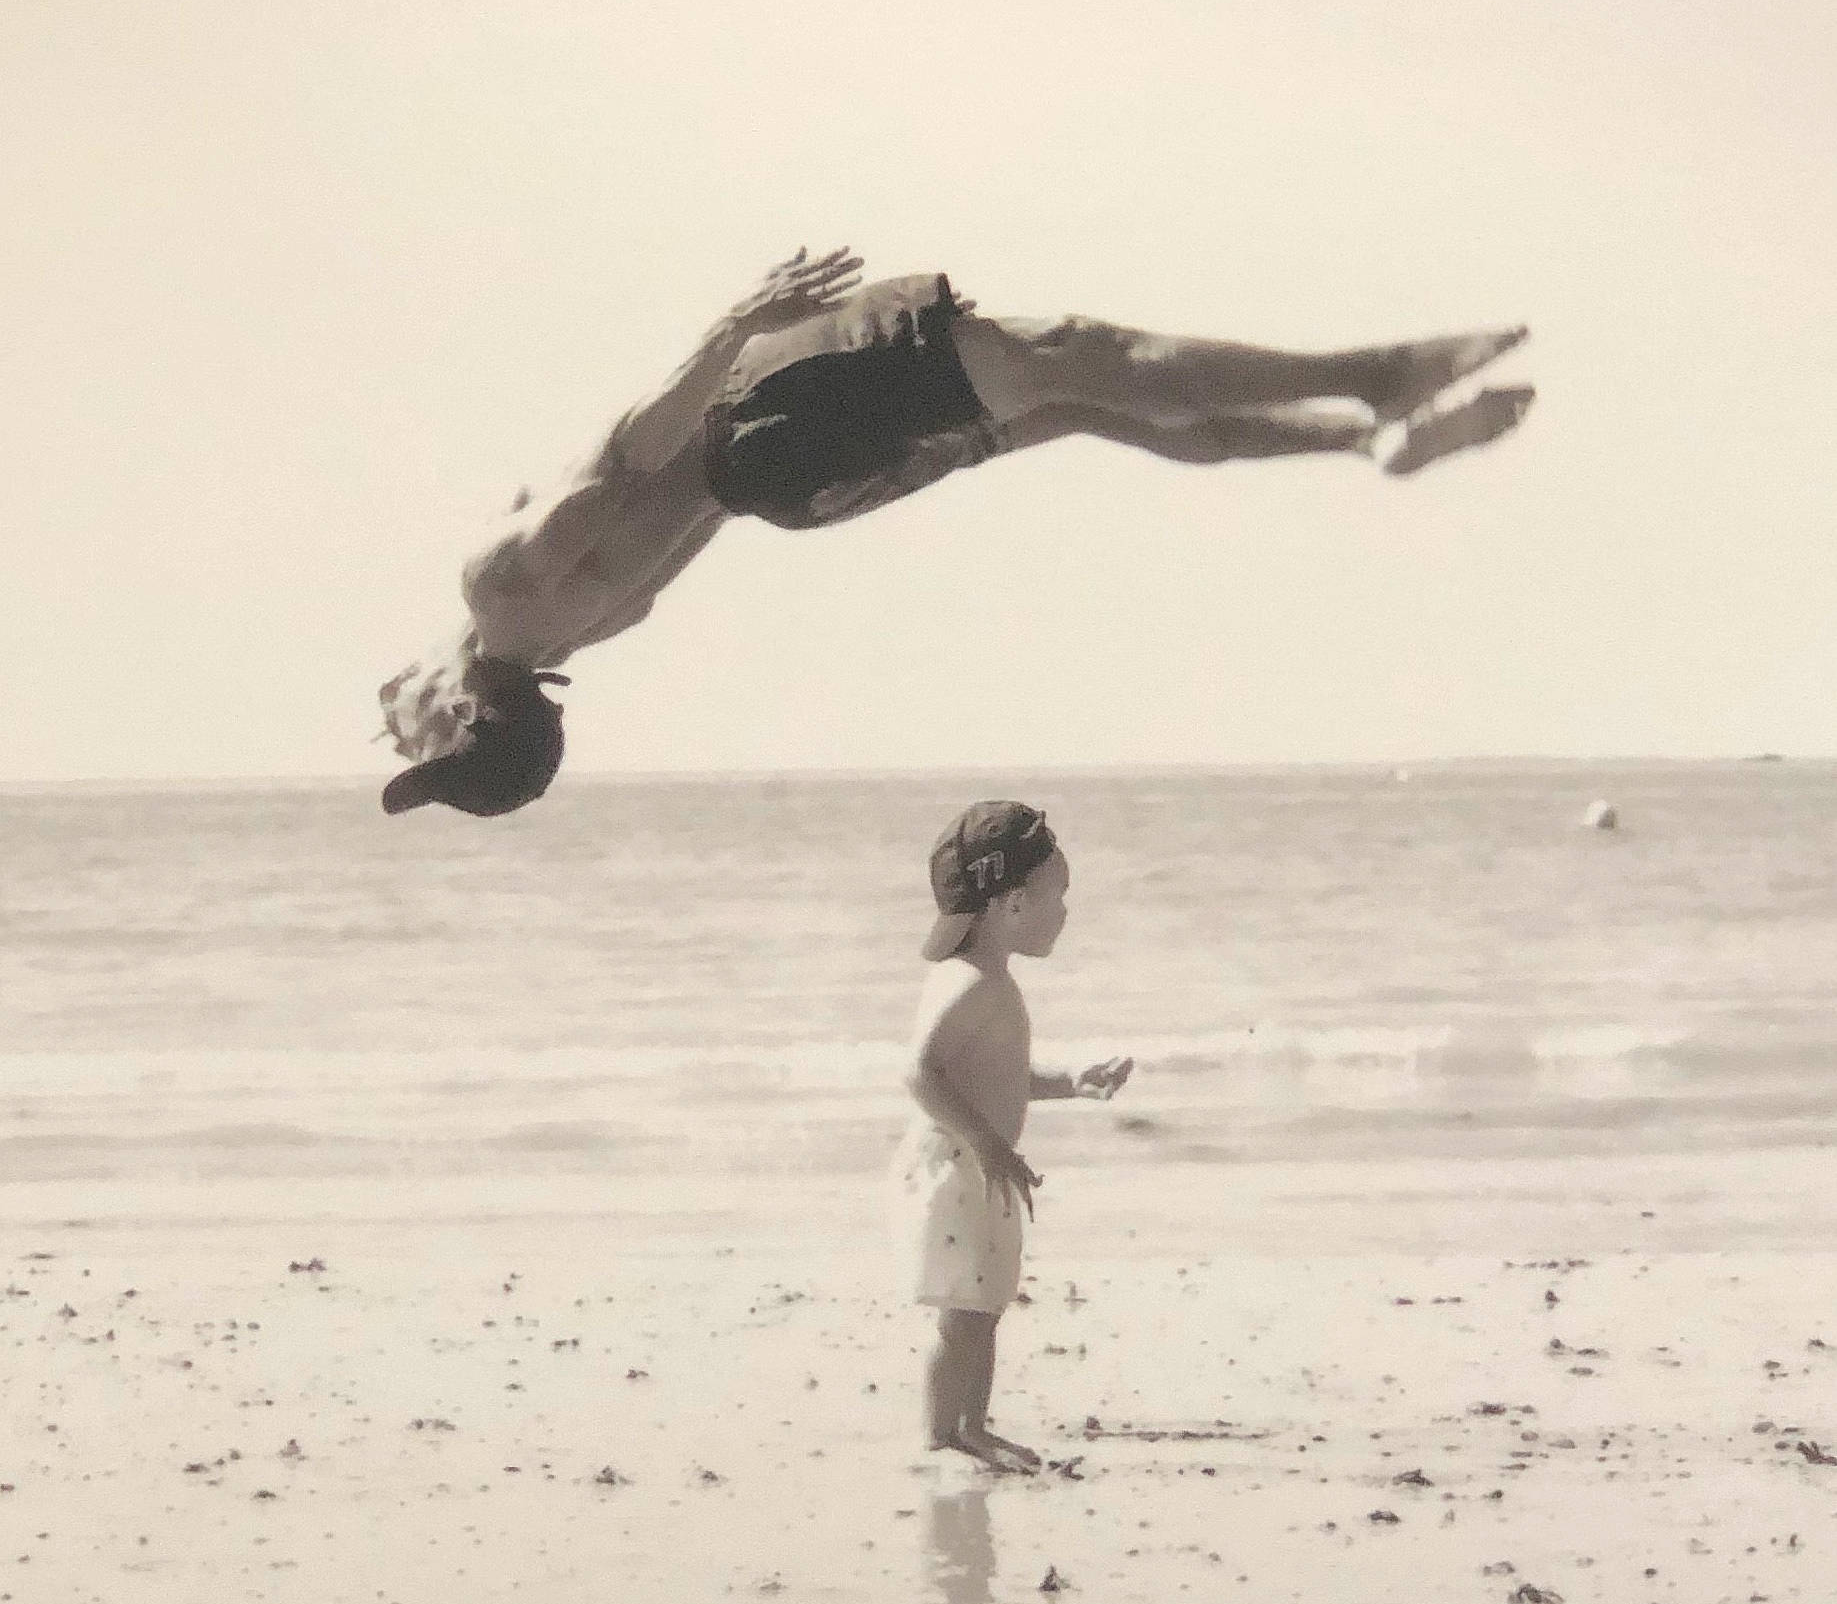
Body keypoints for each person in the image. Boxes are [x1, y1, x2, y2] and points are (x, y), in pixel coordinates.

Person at [379, 250, 1533, 815]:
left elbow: (639, 536)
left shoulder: (575, 636)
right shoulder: (500, 591)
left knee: (1076, 407)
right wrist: (740, 324)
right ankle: (1376, 381)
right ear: (475, 713)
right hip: (772, 418)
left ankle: (1350, 442)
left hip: (795, 491)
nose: (402, 724)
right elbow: (629, 462)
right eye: (425, 741)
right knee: (1082, 356)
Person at [892, 801, 1133, 1473]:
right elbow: (919, 1073)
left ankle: (971, 1424)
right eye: (1058, 895)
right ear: (1012, 904)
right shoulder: (968, 985)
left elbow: (994, 1076)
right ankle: (942, 1436)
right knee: (964, 1311)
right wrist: (986, 1142)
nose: (1065, 911)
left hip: (981, 1164)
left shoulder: (989, 980)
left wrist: (1070, 1082)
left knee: (985, 1302)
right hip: (959, 1165)